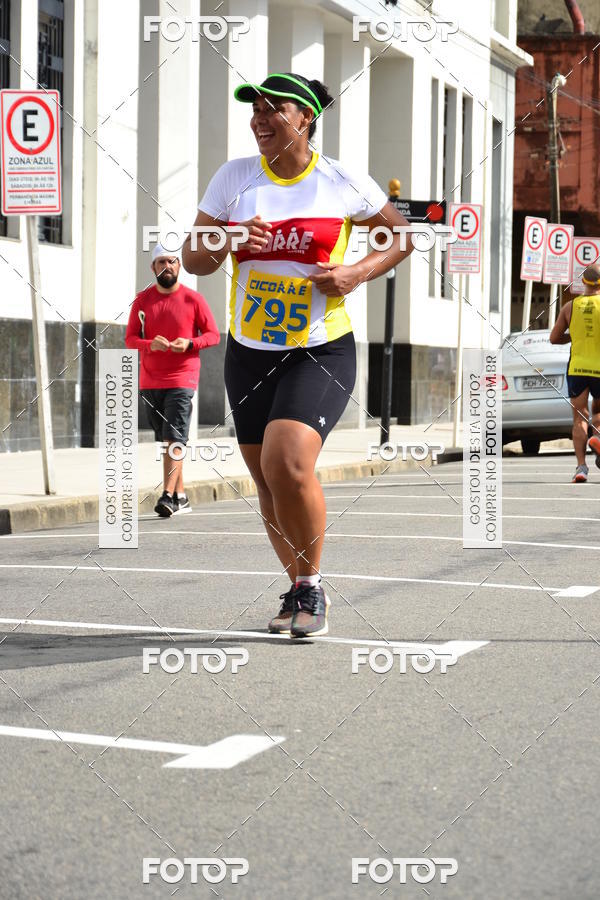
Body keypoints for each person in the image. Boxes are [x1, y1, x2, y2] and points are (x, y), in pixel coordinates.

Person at [182, 72, 413, 636]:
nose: (260, 119)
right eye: (254, 110)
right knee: (266, 479)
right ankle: (297, 587)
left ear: (305, 118)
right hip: (249, 352)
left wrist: (357, 271)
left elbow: (400, 235)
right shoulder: (235, 178)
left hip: (319, 348)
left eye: (273, 109)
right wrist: (233, 239)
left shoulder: (338, 180)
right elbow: (193, 257)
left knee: (287, 461)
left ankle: (311, 589)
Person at [125, 244, 220, 515]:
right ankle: (181, 495)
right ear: (153, 267)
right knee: (167, 441)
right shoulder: (143, 300)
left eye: (172, 261)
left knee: (174, 438)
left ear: (179, 266)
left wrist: (190, 344)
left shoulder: (194, 299)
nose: (167, 266)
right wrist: (148, 344)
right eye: (161, 262)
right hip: (151, 380)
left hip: (183, 378)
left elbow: (212, 335)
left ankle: (166, 496)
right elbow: (130, 340)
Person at [550, 262, 600, 482]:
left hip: (577, 367)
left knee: (579, 417)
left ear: (583, 282)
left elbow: (554, 338)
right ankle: (597, 438)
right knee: (598, 414)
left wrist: (574, 336)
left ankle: (581, 468)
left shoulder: (570, 307)